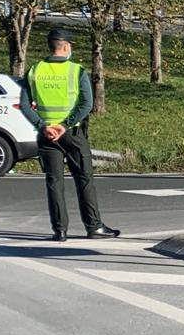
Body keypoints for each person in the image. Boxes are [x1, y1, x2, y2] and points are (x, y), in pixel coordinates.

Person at [20, 29, 120, 241]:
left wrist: (43, 125)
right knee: (84, 178)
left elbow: (24, 105)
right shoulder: (76, 71)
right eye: (71, 46)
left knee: (54, 181)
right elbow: (87, 104)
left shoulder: (34, 70)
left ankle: (60, 230)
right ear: (65, 47)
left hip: (46, 135)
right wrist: (65, 125)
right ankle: (94, 227)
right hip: (72, 133)